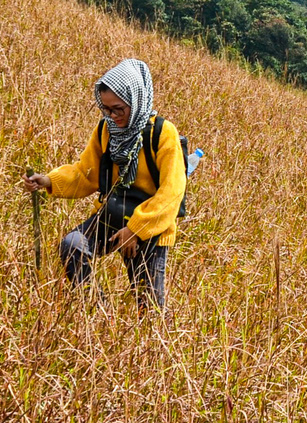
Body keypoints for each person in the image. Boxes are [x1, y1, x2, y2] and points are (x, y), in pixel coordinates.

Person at [23, 59, 186, 308]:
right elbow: (85, 174)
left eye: (119, 109)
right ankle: (97, 311)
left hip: (150, 226)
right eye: (107, 109)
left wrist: (135, 230)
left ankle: (148, 343)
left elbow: (172, 192)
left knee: (149, 306)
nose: (112, 116)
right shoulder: (106, 130)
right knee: (72, 246)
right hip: (111, 214)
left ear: (136, 99)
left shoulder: (163, 133)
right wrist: (48, 181)